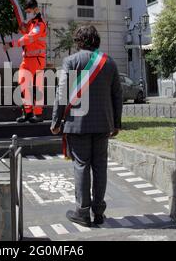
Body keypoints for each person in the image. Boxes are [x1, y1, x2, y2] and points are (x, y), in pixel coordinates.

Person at [51, 25, 123, 227]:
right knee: (100, 167)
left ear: (79, 42)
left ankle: (82, 213)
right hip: (103, 125)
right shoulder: (109, 63)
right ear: (97, 41)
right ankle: (99, 212)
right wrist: (116, 123)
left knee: (81, 166)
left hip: (77, 124)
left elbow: (62, 93)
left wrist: (56, 121)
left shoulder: (71, 61)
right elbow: (117, 94)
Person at [4, 0, 47, 124]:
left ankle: (38, 114)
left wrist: (12, 44)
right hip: (27, 59)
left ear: (35, 9)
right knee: (23, 83)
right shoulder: (31, 23)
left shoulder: (40, 24)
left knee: (37, 86)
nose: (28, 13)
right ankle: (27, 112)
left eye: (29, 11)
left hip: (37, 59)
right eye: (26, 12)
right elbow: (24, 31)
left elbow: (30, 37)